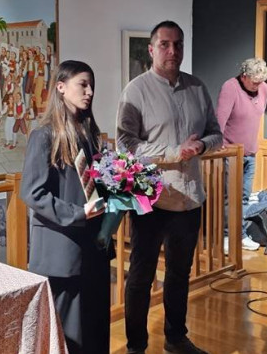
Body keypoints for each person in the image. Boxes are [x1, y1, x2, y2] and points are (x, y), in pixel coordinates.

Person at [117, 20, 222, 354]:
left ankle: (176, 338)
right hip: (152, 198)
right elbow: (125, 145)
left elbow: (216, 133)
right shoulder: (135, 90)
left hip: (190, 199)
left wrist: (201, 146)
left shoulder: (197, 87)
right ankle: (136, 345)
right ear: (151, 49)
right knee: (141, 275)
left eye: (178, 44)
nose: (172, 51)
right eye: (165, 44)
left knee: (179, 273)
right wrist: (173, 152)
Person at [20, 60, 111, 354]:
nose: (90, 91)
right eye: (83, 84)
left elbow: (94, 186)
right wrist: (77, 213)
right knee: (68, 338)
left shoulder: (90, 135)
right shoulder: (43, 136)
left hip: (93, 247)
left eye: (92, 85)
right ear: (61, 87)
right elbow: (32, 193)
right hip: (63, 252)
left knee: (96, 329)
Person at [216, 57, 267, 253]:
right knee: (229, 197)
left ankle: (240, 234)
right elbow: (219, 121)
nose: (258, 86)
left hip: (251, 153)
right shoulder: (230, 88)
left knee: (245, 197)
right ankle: (226, 236)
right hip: (231, 152)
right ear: (244, 76)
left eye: (261, 82)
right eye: (254, 82)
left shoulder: (263, 88)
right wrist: (219, 147)